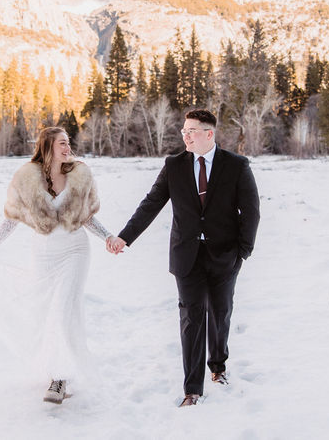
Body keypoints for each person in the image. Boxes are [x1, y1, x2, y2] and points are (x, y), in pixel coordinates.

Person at [107, 109, 260, 407]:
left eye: (191, 131)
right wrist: (125, 236)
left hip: (224, 255)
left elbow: (251, 211)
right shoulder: (174, 166)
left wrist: (243, 250)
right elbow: (151, 203)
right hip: (186, 255)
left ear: (209, 134)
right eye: (184, 131)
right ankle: (192, 389)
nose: (185, 136)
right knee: (191, 317)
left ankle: (218, 366)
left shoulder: (236, 166)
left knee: (220, 312)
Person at [0, 127, 115, 404]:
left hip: (75, 251)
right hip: (43, 255)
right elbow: (12, 218)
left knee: (63, 311)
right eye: (62, 143)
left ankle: (59, 379)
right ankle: (54, 369)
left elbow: (87, 218)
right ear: (47, 146)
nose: (67, 147)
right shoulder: (27, 177)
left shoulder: (81, 175)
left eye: (68, 142)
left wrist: (108, 237)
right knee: (47, 315)